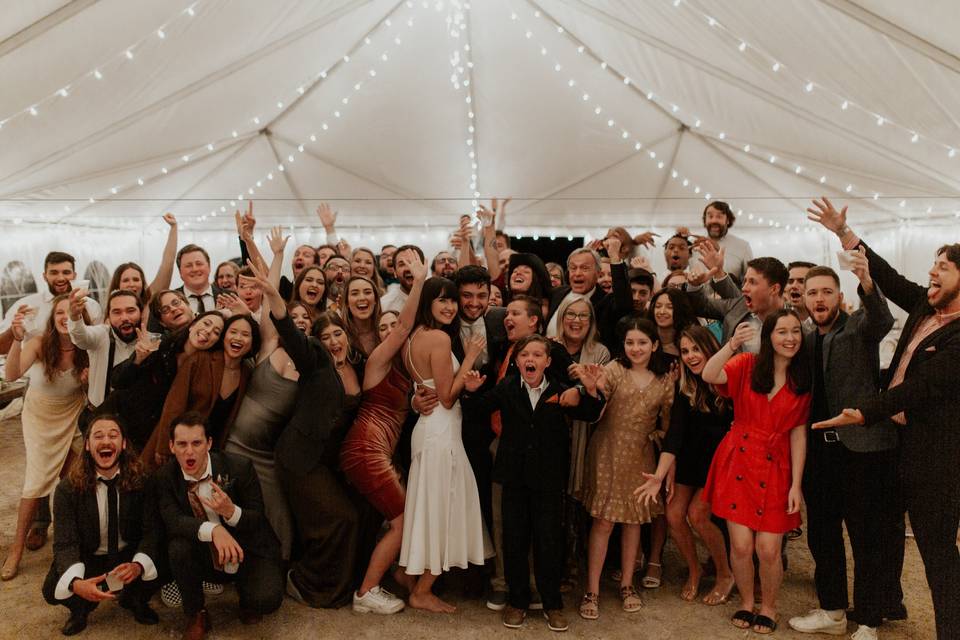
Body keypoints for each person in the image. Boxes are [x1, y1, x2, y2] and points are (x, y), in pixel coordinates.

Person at [808, 197, 960, 639]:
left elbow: (921, 388)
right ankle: (882, 607)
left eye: (944, 267)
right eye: (934, 264)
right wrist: (844, 234)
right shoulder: (926, 308)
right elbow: (887, 278)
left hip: (935, 458)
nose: (932, 273)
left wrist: (864, 411)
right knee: (882, 534)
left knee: (937, 554)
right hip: (896, 446)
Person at [786, 259, 900, 640]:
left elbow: (881, 319)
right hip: (819, 453)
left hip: (863, 452)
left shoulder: (858, 327)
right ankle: (833, 610)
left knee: (867, 537)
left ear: (839, 296)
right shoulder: (801, 335)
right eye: (812, 292)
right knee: (823, 535)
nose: (818, 298)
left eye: (826, 292)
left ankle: (868, 620)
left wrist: (866, 279)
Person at [462, 335, 606, 632]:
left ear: (547, 362)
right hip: (513, 478)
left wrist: (591, 391)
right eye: (525, 354)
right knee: (514, 540)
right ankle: (517, 601)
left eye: (538, 354)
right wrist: (471, 393)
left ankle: (552, 603)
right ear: (516, 361)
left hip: (549, 481)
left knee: (548, 541)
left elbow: (589, 414)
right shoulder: (505, 388)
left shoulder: (561, 391)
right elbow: (477, 410)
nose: (531, 359)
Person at [253, 261, 373, 609]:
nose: (333, 341)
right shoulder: (316, 360)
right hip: (299, 458)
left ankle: (341, 583)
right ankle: (304, 582)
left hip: (331, 461)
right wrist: (275, 296)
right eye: (326, 336)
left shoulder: (359, 366)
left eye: (338, 334)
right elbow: (289, 333)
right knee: (341, 519)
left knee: (358, 514)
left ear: (347, 335)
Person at [701, 309, 811, 634]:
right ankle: (746, 603)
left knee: (768, 549)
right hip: (738, 461)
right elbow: (710, 374)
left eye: (795, 332)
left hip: (778, 467)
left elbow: (799, 434)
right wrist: (732, 344)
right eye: (782, 332)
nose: (790, 338)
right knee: (741, 547)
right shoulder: (748, 365)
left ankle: (769, 607)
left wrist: (796, 485)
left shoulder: (802, 380)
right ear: (769, 336)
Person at [340, 251, 427, 614]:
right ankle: (366, 592)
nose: (391, 331)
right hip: (365, 451)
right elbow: (407, 327)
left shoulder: (405, 368)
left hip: (376, 452)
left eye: (395, 326)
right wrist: (419, 279)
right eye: (384, 328)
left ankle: (396, 576)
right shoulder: (377, 360)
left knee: (396, 519)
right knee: (403, 521)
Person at [399, 276, 489, 613]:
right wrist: (470, 358)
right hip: (440, 431)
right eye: (443, 300)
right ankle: (423, 590)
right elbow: (449, 398)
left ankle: (408, 573)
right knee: (441, 507)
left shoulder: (414, 337)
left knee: (429, 505)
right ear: (428, 304)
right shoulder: (437, 337)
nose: (450, 306)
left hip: (429, 429)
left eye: (453, 300)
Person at [156, 412, 283, 639]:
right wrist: (214, 530)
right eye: (182, 444)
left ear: (209, 443)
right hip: (203, 554)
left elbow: (258, 518)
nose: (189, 451)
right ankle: (197, 613)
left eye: (197, 443)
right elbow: (173, 521)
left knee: (266, 600)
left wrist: (230, 512)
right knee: (178, 548)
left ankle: (247, 598)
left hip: (247, 548)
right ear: (171, 446)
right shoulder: (164, 478)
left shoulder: (239, 467)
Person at [579, 317, 674, 620]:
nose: (636, 348)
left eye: (642, 342)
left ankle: (627, 584)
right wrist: (592, 389)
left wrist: (660, 452)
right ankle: (591, 589)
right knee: (604, 522)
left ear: (655, 345)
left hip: (642, 456)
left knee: (634, 522)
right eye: (630, 342)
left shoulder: (664, 380)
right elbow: (595, 410)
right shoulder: (613, 371)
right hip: (607, 451)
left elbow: (668, 425)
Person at [635, 326, 735, 605]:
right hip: (690, 461)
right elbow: (675, 435)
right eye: (685, 351)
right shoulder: (685, 385)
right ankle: (695, 570)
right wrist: (659, 474)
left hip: (718, 463)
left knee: (698, 515)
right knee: (674, 514)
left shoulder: (728, 381)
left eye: (696, 349)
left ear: (710, 348)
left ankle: (726, 574)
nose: (691, 356)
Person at [41, 415, 160, 636]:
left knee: (164, 560)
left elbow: (151, 532)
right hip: (91, 556)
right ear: (87, 445)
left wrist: (137, 566)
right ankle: (80, 610)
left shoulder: (144, 480)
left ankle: (136, 600)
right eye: (98, 436)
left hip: (128, 556)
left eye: (113, 435)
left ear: (123, 444)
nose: (106, 441)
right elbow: (65, 544)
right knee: (51, 588)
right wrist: (76, 583)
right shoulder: (67, 489)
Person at [2, 294, 89, 580]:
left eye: (70, 312)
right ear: (52, 318)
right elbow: (13, 373)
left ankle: (77, 539)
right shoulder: (40, 342)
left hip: (71, 415)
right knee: (36, 480)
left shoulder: (86, 346)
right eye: (59, 312)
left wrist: (90, 382)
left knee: (79, 475)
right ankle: (15, 550)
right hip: (39, 415)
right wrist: (17, 339)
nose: (65, 317)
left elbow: (95, 394)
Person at [140, 314, 258, 467]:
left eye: (245, 334)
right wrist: (164, 445)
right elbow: (174, 404)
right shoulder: (200, 360)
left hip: (209, 454)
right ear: (223, 337)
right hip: (176, 445)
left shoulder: (247, 373)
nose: (238, 338)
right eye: (233, 332)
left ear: (253, 342)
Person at [553, 297, 611, 588]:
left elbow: (602, 394)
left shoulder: (600, 352)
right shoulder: (550, 345)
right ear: (561, 317)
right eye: (570, 315)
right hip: (551, 434)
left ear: (591, 322)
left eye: (583, 316)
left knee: (577, 502)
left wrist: (581, 386)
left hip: (585, 436)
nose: (576, 321)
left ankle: (574, 565)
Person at [110, 311, 225, 451]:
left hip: (154, 436)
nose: (208, 331)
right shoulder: (161, 344)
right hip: (121, 423)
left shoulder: (206, 368)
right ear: (192, 325)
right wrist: (138, 359)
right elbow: (117, 381)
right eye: (206, 324)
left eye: (216, 332)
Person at [0, 251, 101, 355]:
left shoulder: (91, 306)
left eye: (66, 272)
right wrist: (13, 332)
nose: (60, 278)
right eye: (54, 273)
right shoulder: (25, 305)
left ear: (74, 275)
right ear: (45, 276)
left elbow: (99, 345)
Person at [685, 248, 788, 349]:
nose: (744, 288)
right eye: (745, 281)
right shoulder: (739, 306)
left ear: (774, 289)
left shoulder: (796, 324)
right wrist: (694, 285)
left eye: (752, 282)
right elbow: (701, 306)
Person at [546, 239, 631, 350]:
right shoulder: (557, 293)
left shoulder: (607, 302)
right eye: (573, 268)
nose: (577, 273)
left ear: (597, 273)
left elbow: (624, 305)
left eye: (585, 268)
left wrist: (615, 257)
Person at [67, 288, 140, 413]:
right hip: (102, 416)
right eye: (117, 312)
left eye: (130, 311)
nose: (124, 318)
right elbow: (80, 337)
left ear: (141, 312)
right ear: (108, 317)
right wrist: (74, 316)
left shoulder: (150, 339)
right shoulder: (101, 335)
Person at [107, 213, 179, 313]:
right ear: (117, 285)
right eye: (125, 280)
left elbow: (168, 264)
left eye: (136, 279)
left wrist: (174, 228)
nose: (131, 284)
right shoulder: (111, 311)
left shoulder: (150, 300)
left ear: (143, 282)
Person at [685, 201, 753, 285]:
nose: (714, 220)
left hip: (731, 297)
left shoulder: (743, 246)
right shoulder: (692, 244)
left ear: (728, 220)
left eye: (719, 216)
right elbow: (677, 268)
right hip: (695, 297)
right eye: (710, 216)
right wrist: (680, 238)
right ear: (705, 220)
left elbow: (750, 280)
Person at [647, 288, 696, 358]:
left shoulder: (689, 342)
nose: (662, 312)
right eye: (658, 306)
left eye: (670, 307)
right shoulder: (644, 338)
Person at [342, 276, 382, 356]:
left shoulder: (387, 330)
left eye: (367, 292)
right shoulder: (340, 335)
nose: (362, 298)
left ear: (375, 300)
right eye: (354, 294)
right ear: (347, 303)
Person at [176, 244, 220, 314]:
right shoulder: (171, 302)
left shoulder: (230, 297)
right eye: (188, 266)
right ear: (180, 272)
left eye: (199, 264)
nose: (195, 269)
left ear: (209, 267)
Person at [381, 245, 425, 313]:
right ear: (395, 272)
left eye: (413, 262)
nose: (409, 268)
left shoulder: (437, 297)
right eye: (402, 264)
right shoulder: (384, 305)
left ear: (424, 267)